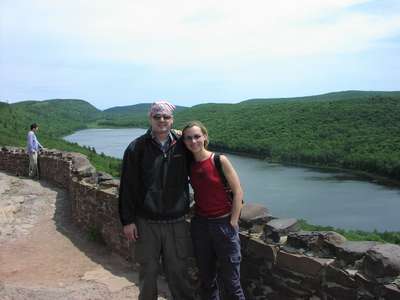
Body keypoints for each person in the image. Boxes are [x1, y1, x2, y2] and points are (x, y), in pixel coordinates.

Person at [118, 100, 194, 300]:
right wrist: (127, 221)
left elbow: (203, 168)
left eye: (166, 117)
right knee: (148, 272)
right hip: (146, 221)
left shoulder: (183, 145)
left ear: (172, 119)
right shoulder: (137, 147)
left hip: (176, 220)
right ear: (150, 118)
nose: (162, 120)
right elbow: (127, 186)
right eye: (157, 116)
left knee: (178, 271)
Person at [182, 121, 245, 300]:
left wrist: (233, 221)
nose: (193, 141)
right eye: (188, 138)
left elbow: (238, 190)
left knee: (232, 283)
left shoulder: (218, 160)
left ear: (205, 137)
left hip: (223, 224)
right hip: (200, 225)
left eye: (197, 136)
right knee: (207, 279)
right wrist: (178, 133)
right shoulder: (189, 164)